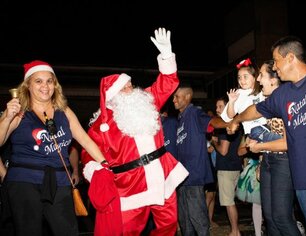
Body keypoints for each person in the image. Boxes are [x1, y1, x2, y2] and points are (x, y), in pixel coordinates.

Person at [228, 36, 306, 236]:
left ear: (289, 58)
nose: (275, 67)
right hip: (305, 183)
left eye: (276, 60)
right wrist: (236, 120)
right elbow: (256, 110)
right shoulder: (283, 94)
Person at [81, 27, 189, 235]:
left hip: (161, 174)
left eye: (130, 84)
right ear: (112, 96)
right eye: (124, 87)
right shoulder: (100, 126)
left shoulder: (146, 100)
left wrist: (166, 55)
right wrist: (95, 169)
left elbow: (166, 83)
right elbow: (87, 153)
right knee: (129, 230)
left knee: (168, 225)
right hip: (130, 185)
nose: (131, 90)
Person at [0, 60, 107, 236]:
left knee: (67, 231)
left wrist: (104, 164)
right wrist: (6, 117)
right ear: (27, 85)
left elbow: (85, 140)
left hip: (59, 180)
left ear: (55, 85)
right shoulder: (19, 111)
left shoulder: (63, 110)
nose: (45, 86)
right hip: (24, 181)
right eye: (38, 81)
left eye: (49, 81)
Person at [246, 60, 302, 236]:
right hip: (269, 161)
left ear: (273, 80)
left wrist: (258, 147)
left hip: (284, 162)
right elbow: (270, 132)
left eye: (262, 75)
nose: (259, 80)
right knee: (269, 218)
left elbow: (287, 142)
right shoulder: (269, 101)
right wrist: (262, 159)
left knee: (282, 218)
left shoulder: (286, 100)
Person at [173, 86, 230, 235]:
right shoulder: (181, 118)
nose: (174, 100)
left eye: (177, 97)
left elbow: (212, 122)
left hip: (193, 175)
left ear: (187, 97)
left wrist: (228, 123)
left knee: (198, 218)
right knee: (185, 220)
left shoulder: (194, 113)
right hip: (181, 177)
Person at [210, 97, 243, 236]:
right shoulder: (237, 124)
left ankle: (235, 231)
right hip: (236, 165)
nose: (217, 109)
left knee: (228, 202)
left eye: (220, 106)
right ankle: (235, 230)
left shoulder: (225, 126)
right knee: (231, 201)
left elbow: (223, 151)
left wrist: (213, 143)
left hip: (226, 168)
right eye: (216, 106)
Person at [221, 58, 267, 140]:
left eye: (245, 77)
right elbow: (229, 116)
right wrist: (231, 102)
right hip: (252, 133)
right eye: (239, 77)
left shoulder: (264, 90)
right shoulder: (239, 93)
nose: (241, 80)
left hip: (268, 128)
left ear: (255, 76)